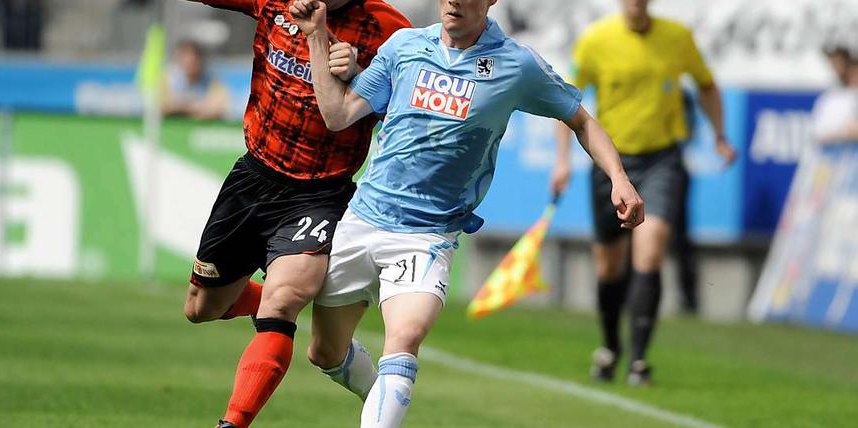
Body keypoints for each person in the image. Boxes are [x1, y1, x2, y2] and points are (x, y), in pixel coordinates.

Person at [292, 0, 643, 426]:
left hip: (426, 236)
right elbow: (338, 114)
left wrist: (619, 179)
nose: (453, 1)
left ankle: (386, 404)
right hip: (363, 219)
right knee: (324, 352)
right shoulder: (403, 46)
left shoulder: (515, 64)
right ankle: (382, 400)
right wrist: (316, 36)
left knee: (403, 338)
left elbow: (582, 120)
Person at [183, 1, 409, 427]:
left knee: (283, 301)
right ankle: (253, 301)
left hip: (321, 192)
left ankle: (231, 423)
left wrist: (364, 77)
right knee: (201, 307)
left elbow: (406, 112)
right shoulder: (275, 2)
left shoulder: (388, 29)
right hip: (254, 176)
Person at [549, 0, 737, 386]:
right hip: (611, 164)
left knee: (651, 249)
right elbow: (566, 102)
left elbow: (706, 85)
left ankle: (638, 360)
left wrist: (719, 135)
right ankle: (610, 346)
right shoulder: (596, 40)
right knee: (609, 266)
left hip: (663, 160)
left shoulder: (677, 37)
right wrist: (562, 161)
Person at [163, 39, 231, 120]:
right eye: (185, 57)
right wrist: (192, 108)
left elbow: (218, 110)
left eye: (194, 59)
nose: (190, 61)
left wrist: (182, 108)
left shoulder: (212, 82)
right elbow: (162, 108)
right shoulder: (168, 80)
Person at [812, 41, 858, 144]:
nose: (835, 66)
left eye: (839, 61)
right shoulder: (830, 96)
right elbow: (818, 132)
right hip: (834, 154)